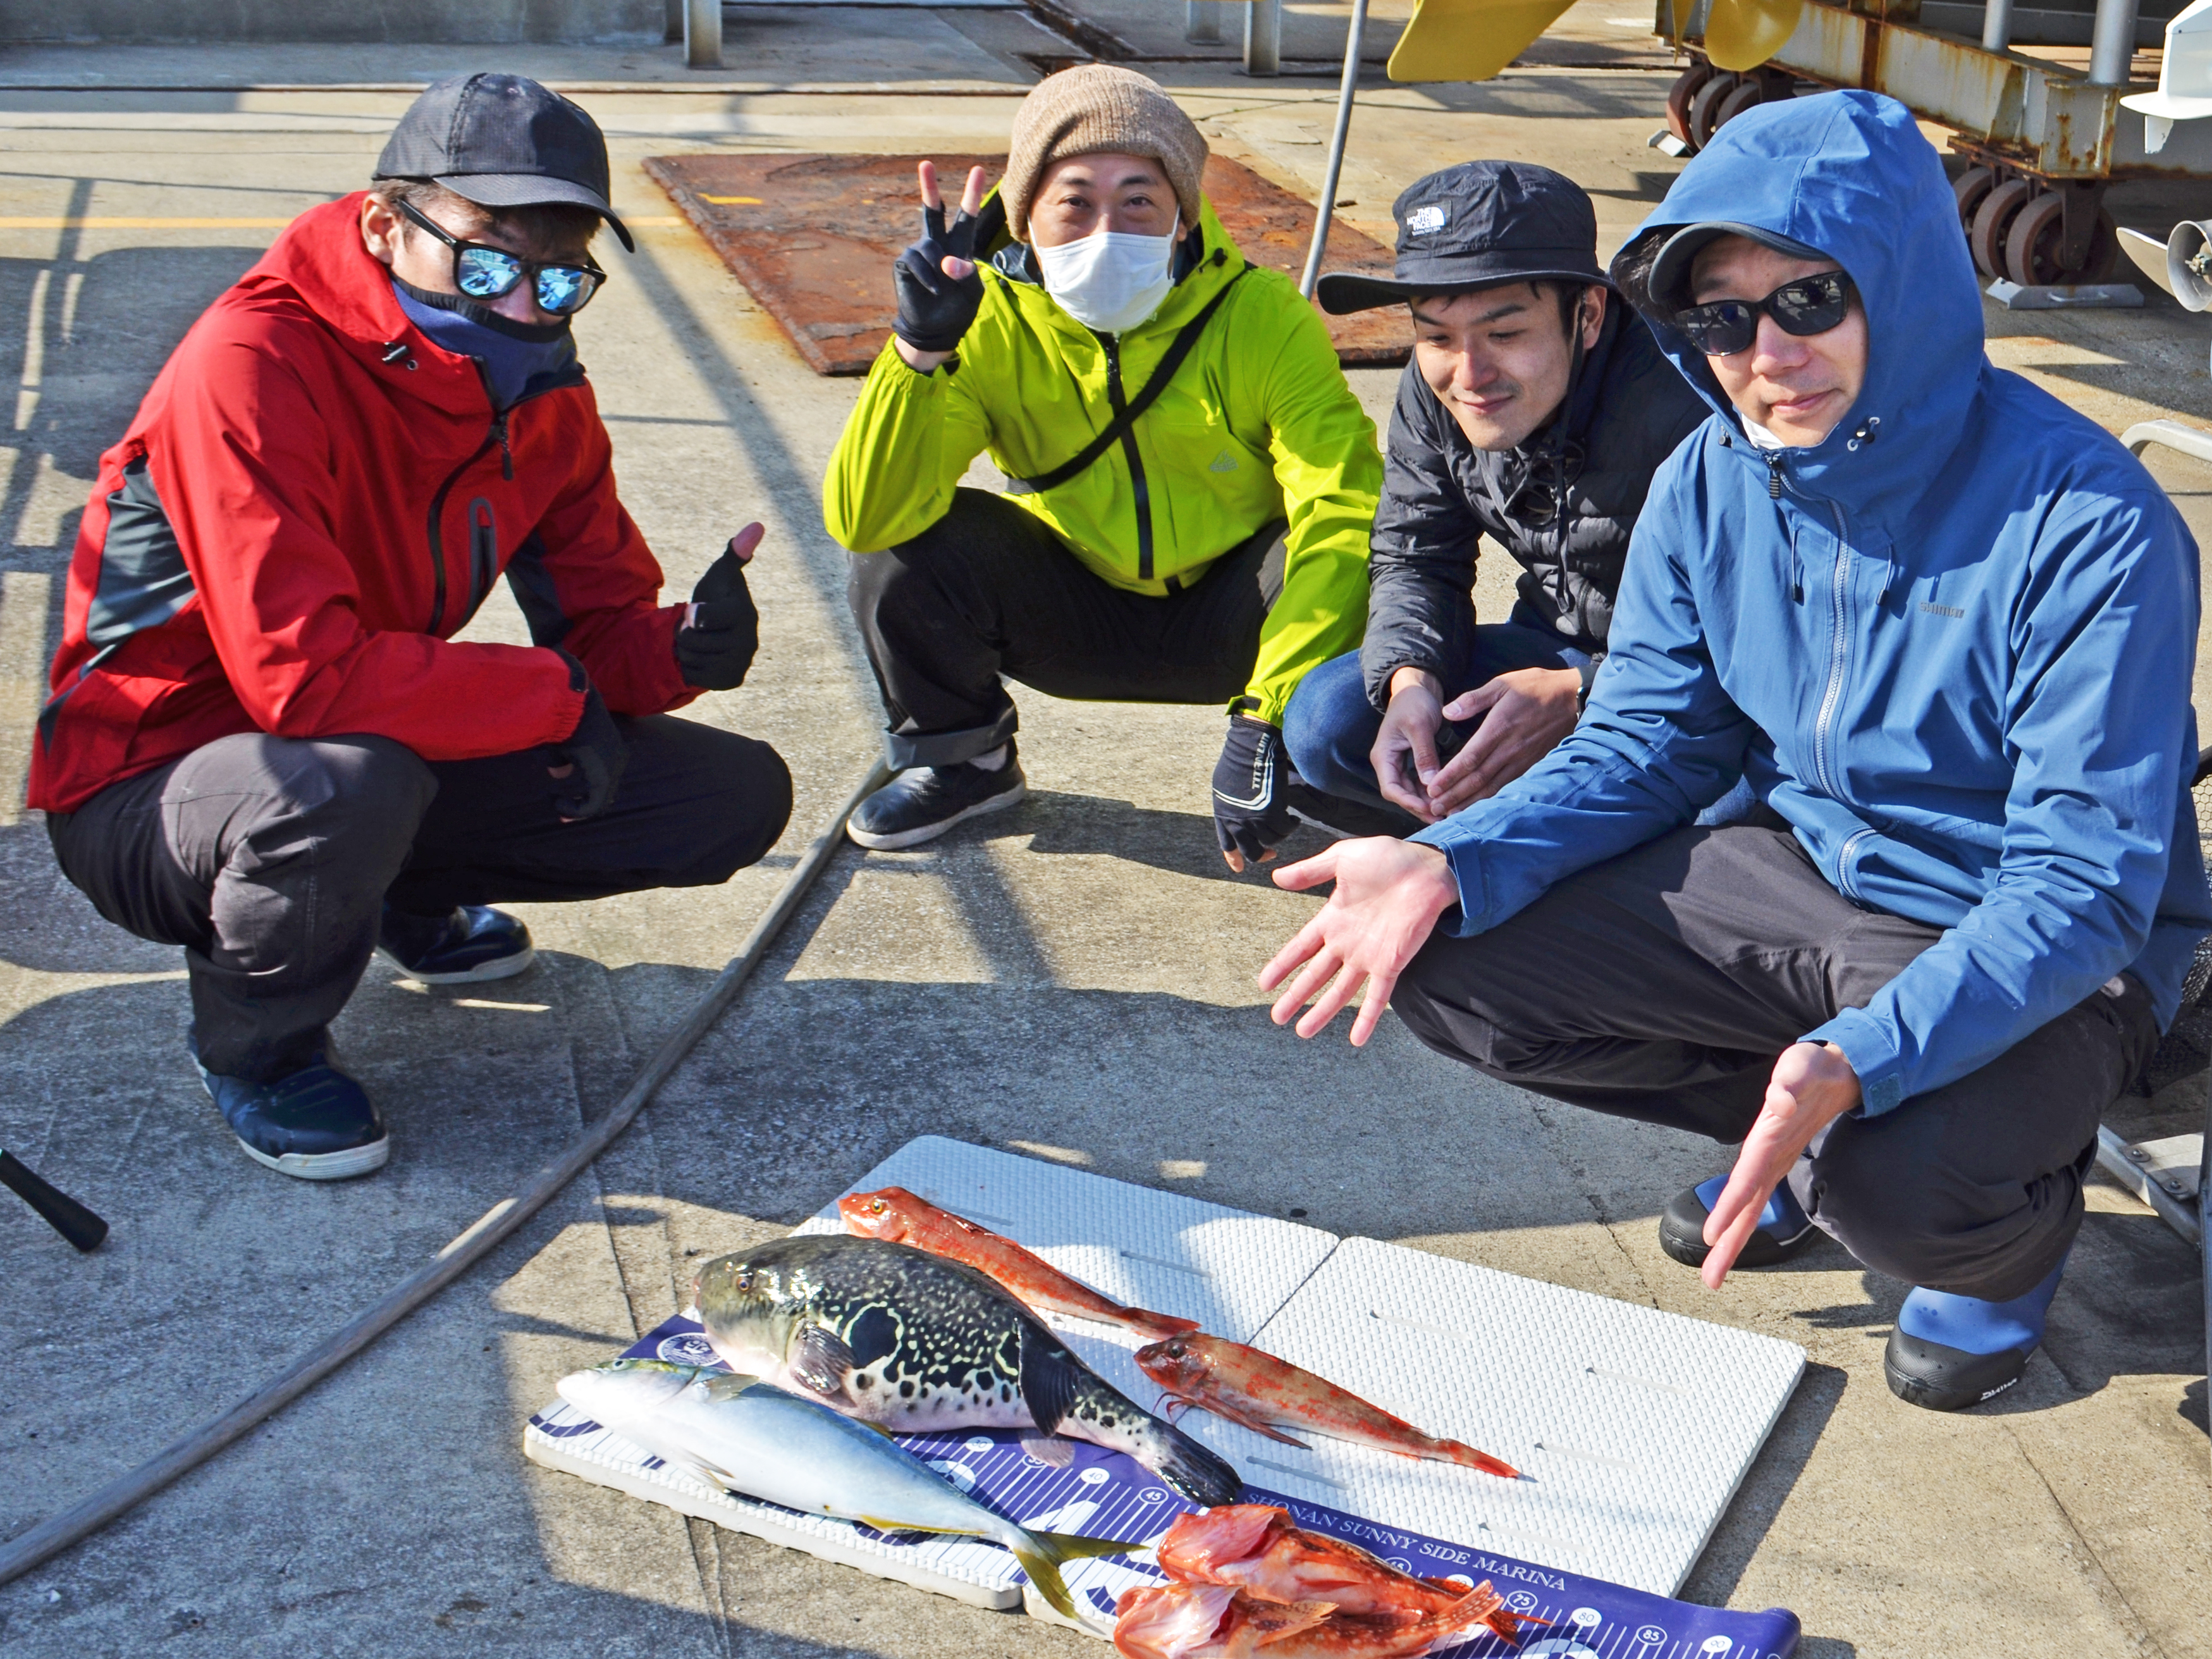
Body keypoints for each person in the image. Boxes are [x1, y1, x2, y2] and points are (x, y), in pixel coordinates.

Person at [1255, 90, 2211, 1412]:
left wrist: (1869, 1054)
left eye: (1811, 298)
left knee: (1904, 1187)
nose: (1768, 351)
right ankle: (1799, 1127)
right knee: (1443, 956)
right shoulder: (1714, 475)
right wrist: (1450, 859)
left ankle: (1977, 1232)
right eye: (1722, 318)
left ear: (1908, 282)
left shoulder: (2090, 519)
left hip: (2018, 925)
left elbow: (2083, 886)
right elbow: (1649, 739)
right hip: (1800, 869)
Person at [30, 73, 792, 1180]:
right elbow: (299, 678)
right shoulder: (248, 366)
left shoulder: (536, 387)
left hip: (369, 733)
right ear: (386, 228)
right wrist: (556, 697)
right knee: (339, 784)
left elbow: (596, 631)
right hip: (150, 785)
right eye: (487, 263)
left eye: (560, 279)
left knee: (728, 794)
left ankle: (397, 890)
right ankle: (258, 1044)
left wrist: (674, 650)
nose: (523, 306)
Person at [822, 64, 1382, 867]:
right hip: (1074, 608)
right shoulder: (981, 320)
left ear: (1184, 220)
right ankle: (964, 758)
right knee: (904, 550)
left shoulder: (1264, 317)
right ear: (1024, 221)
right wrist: (917, 357)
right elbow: (867, 519)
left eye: (1140, 200)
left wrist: (1266, 710)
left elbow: (1343, 503)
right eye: (1075, 200)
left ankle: (1301, 757)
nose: (1106, 229)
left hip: (1237, 619)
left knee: (1352, 549)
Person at [1287, 162, 1702, 829]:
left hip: (1684, 679)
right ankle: (1529, 828)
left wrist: (1584, 694)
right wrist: (1411, 682)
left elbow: (1763, 634)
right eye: (1436, 336)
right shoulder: (1436, 388)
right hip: (1549, 643)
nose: (1470, 375)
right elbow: (1416, 553)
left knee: (1730, 796)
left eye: (1505, 334)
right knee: (1326, 722)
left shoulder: (1692, 398)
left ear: (1588, 315)